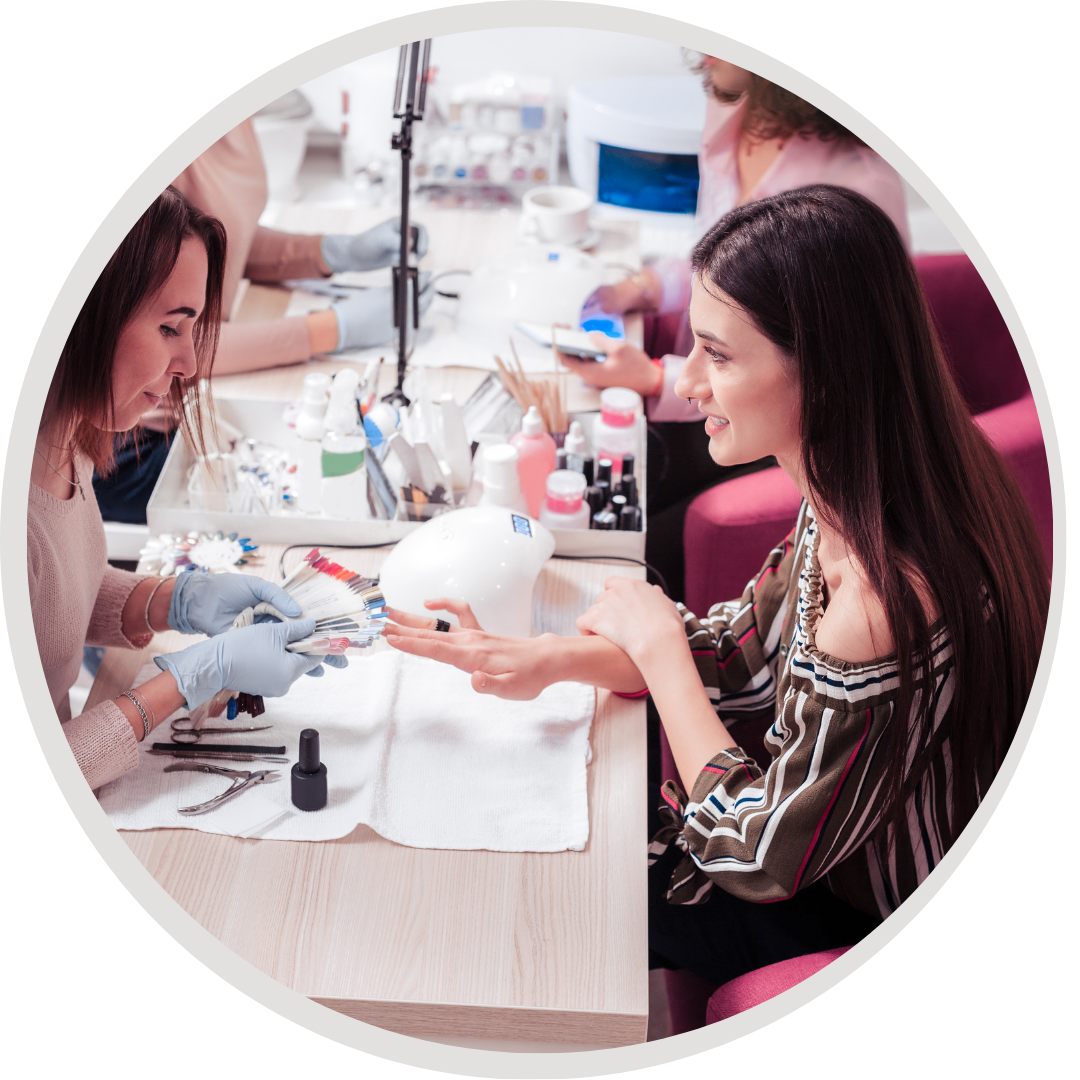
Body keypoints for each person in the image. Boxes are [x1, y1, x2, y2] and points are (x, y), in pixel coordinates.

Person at [381, 186, 1049, 986]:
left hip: (864, 912)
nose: (688, 381)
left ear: (824, 375)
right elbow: (743, 654)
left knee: (551, 885)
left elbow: (762, 856)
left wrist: (661, 652)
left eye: (718, 356)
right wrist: (549, 659)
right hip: (823, 846)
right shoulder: (870, 484)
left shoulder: (878, 599)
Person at [560, 57, 911, 600]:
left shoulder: (859, 189)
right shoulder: (732, 110)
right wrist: (644, 286)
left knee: (640, 545)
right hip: (720, 401)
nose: (701, 52)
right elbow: (722, 259)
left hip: (779, 426)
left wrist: (656, 378)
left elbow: (824, 371)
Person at [30, 187, 344, 791]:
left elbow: (47, 608)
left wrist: (171, 600)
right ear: (85, 313)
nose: (189, 365)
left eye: (191, 329)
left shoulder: (66, 437)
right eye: (170, 327)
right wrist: (183, 682)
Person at [94, 116, 430, 523]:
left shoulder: (233, 116)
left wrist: (329, 253)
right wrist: (327, 329)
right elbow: (137, 317)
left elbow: (211, 244)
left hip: (175, 395)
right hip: (131, 439)